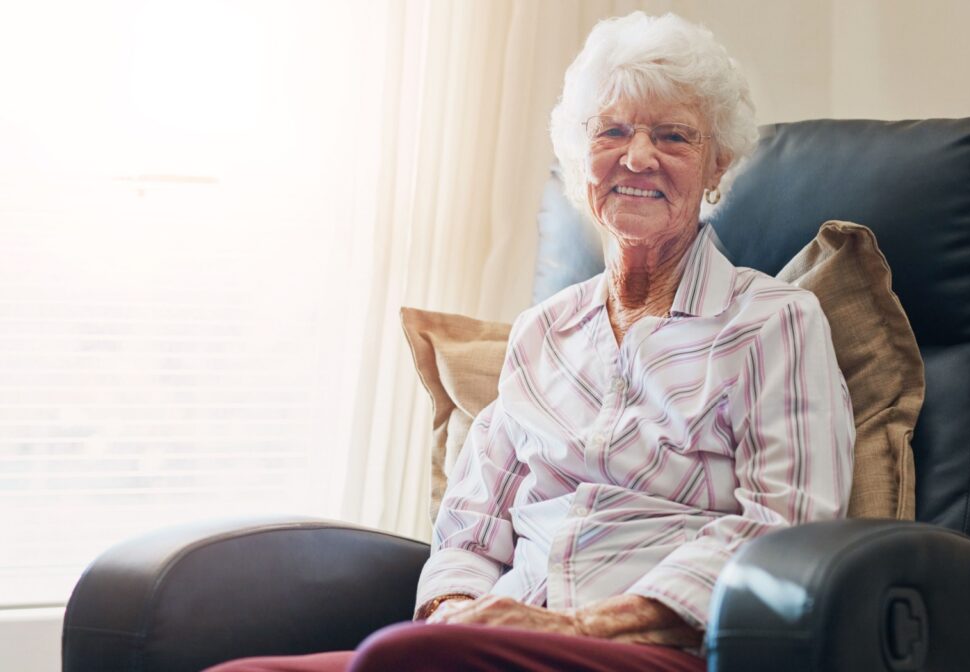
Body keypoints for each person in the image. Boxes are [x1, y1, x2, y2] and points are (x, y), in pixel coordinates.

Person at [208, 11, 854, 672]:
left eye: (672, 136)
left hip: (663, 648)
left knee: (400, 661)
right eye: (612, 131)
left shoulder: (774, 322)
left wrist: (578, 626)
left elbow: (786, 528)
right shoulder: (542, 333)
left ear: (717, 164)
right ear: (582, 162)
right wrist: (456, 613)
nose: (637, 156)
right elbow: (470, 532)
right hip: (494, 642)